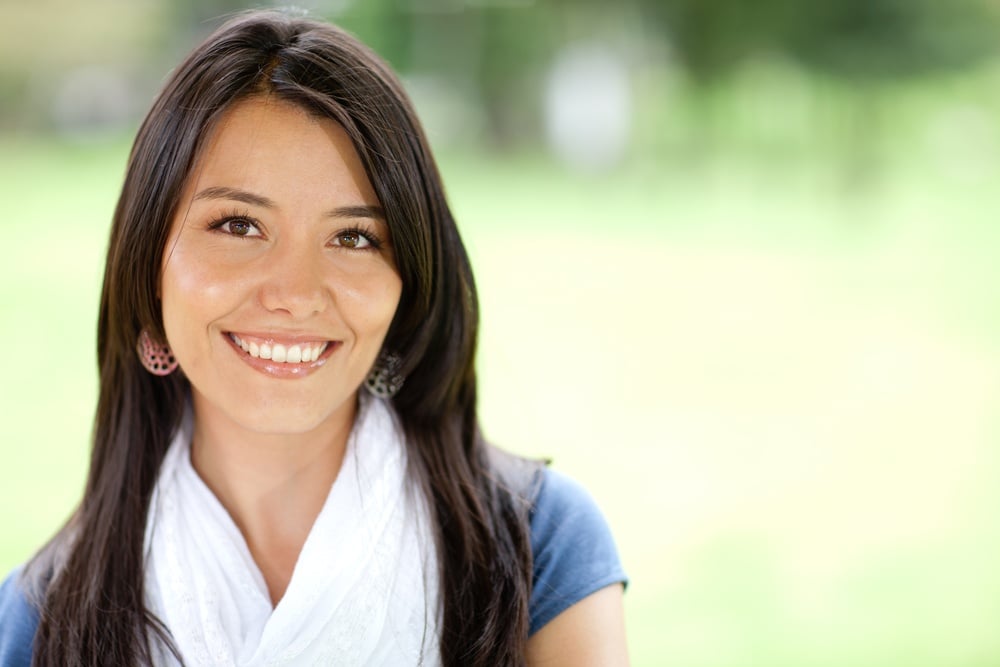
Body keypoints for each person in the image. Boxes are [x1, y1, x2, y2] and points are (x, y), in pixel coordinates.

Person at [0, 10, 627, 666]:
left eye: (354, 237)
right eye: (238, 225)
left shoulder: (538, 546)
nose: (295, 293)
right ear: (148, 261)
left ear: (409, 282)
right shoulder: (39, 619)